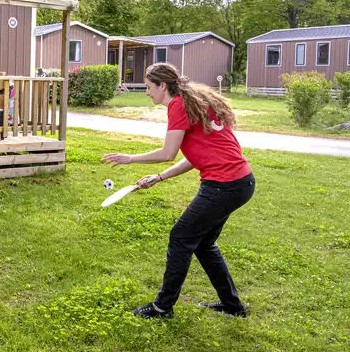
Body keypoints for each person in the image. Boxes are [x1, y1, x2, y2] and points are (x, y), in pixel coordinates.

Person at [102, 63, 254, 319]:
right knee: (204, 244)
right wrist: (160, 178)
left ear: (163, 85)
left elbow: (167, 153)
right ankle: (232, 306)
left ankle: (162, 307)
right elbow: (197, 156)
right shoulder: (192, 103)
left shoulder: (178, 105)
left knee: (181, 237)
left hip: (223, 185)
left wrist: (130, 158)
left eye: (149, 87)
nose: (147, 92)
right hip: (240, 182)